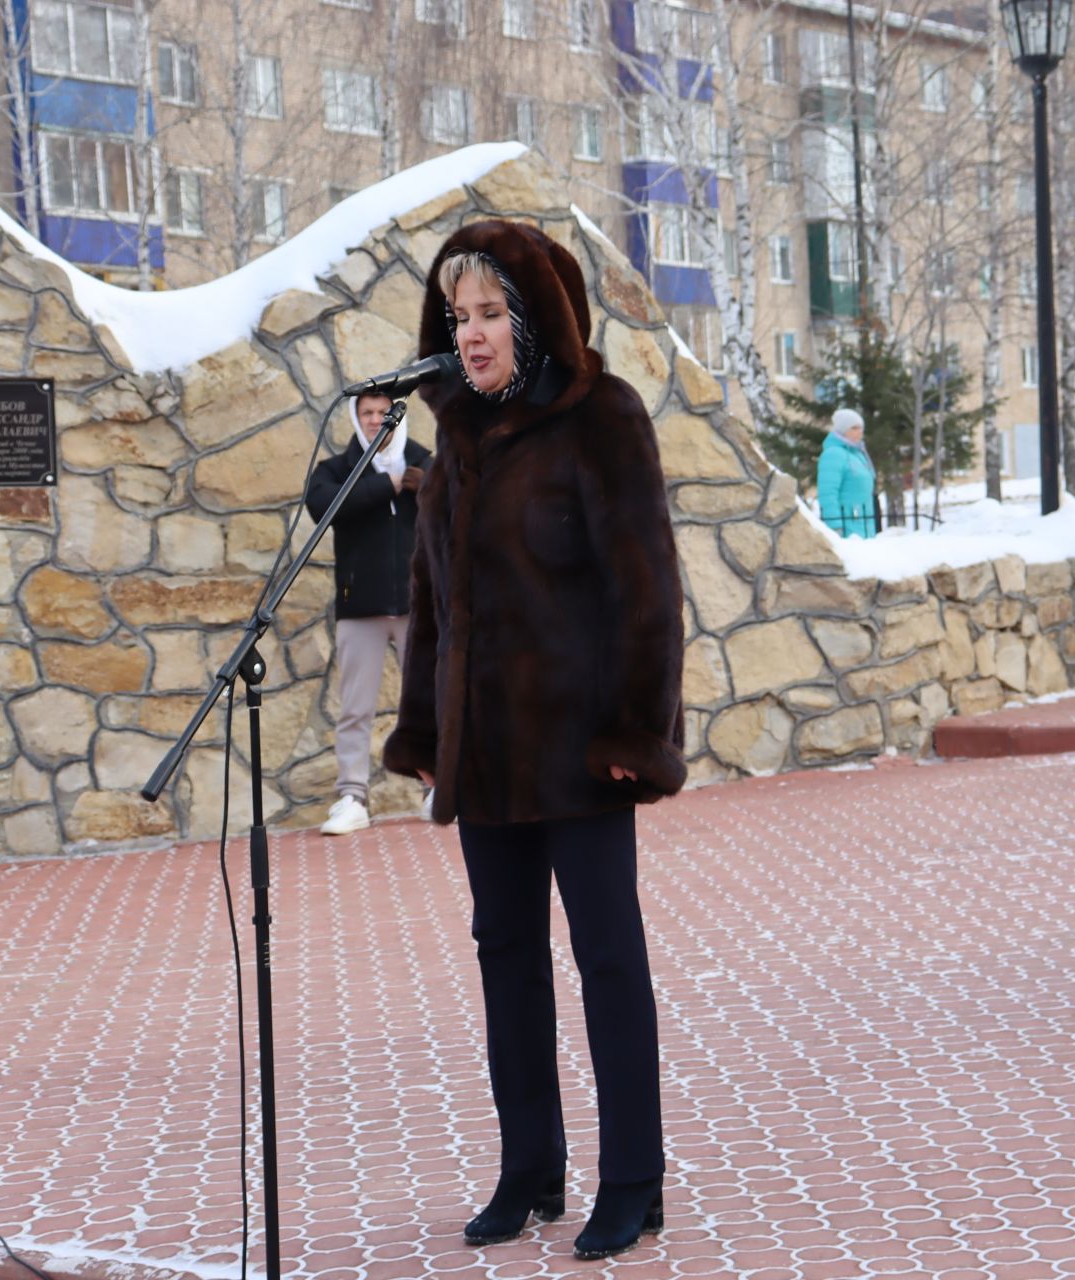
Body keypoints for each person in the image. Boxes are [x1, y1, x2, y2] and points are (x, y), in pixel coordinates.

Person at [381, 220, 685, 1260]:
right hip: (487, 752)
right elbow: (432, 599)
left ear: (534, 318)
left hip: (582, 748)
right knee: (505, 951)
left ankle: (633, 1179)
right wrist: (426, 727)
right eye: (458, 316)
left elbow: (647, 591)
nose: (470, 336)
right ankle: (529, 1166)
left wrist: (634, 733)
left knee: (607, 957)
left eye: (490, 314)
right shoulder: (456, 434)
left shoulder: (603, 417)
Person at [303, 391, 431, 836]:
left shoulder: (426, 463)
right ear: (357, 419)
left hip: (420, 607)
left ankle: (436, 788)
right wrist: (388, 486)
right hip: (360, 607)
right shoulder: (336, 470)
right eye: (368, 413)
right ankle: (352, 796)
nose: (377, 420)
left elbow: (468, 501)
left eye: (384, 412)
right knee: (355, 708)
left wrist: (426, 486)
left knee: (429, 703)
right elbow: (323, 506)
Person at [816, 406, 877, 538]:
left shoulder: (858, 454)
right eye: (854, 428)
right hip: (847, 528)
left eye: (861, 428)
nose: (859, 432)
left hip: (864, 527)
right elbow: (828, 494)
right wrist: (835, 526)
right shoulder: (833, 454)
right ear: (842, 430)